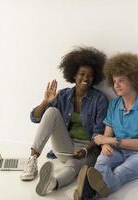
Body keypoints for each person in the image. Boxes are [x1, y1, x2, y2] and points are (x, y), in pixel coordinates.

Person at [20, 47, 109, 196]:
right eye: (82, 74)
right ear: (74, 75)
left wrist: (86, 150)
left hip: (88, 150)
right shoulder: (63, 96)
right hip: (65, 146)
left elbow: (99, 134)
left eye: (90, 75)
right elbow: (35, 118)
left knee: (74, 166)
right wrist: (45, 102)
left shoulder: (100, 100)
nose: (86, 78)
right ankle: (32, 160)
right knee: (51, 111)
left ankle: (52, 182)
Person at [74, 53, 138, 200]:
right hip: (118, 151)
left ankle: (89, 194)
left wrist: (111, 141)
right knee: (101, 160)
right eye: (114, 81)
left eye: (121, 81)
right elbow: (106, 135)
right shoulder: (114, 105)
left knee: (121, 171)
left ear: (134, 80)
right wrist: (104, 146)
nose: (116, 85)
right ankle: (93, 192)